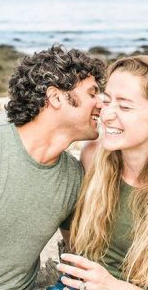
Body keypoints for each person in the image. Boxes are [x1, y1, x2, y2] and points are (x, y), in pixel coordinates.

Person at [0, 45, 106, 289]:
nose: (101, 103)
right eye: (92, 94)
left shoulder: (74, 176)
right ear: (55, 97)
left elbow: (80, 253)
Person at [57, 56, 148, 289]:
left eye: (125, 106)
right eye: (106, 101)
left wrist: (110, 285)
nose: (106, 115)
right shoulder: (93, 157)